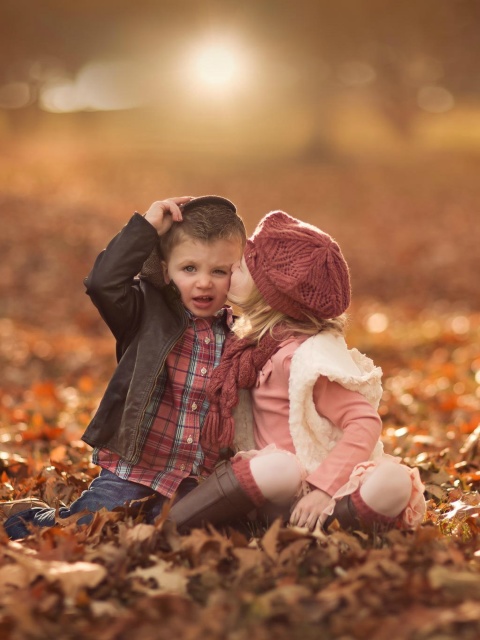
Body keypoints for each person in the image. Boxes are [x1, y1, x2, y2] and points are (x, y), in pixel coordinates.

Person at [2, 195, 246, 539]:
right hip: (133, 469)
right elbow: (102, 283)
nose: (203, 282)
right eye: (189, 268)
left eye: (218, 271)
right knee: (88, 526)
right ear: (165, 269)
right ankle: (21, 520)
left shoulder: (240, 335)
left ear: (236, 274)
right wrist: (145, 228)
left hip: (192, 477)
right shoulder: (145, 312)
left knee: (171, 533)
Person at [168, 210, 426, 534]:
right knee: (280, 468)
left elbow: (363, 422)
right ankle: (173, 523)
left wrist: (322, 489)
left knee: (394, 480)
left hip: (322, 484)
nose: (231, 267)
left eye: (243, 266)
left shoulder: (305, 359)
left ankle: (326, 523)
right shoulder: (250, 345)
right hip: (273, 486)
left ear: (270, 294)